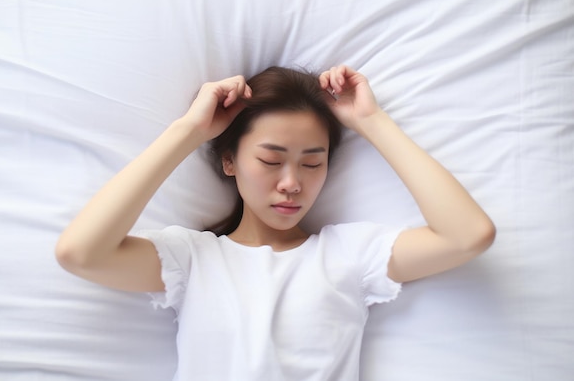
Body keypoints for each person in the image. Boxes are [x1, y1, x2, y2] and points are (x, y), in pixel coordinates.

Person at [56, 65, 496, 380]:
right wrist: (189, 131)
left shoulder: (348, 255)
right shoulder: (192, 259)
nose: (291, 183)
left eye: (312, 163)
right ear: (229, 161)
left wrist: (372, 122)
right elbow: (80, 253)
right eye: (270, 160)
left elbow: (468, 235)